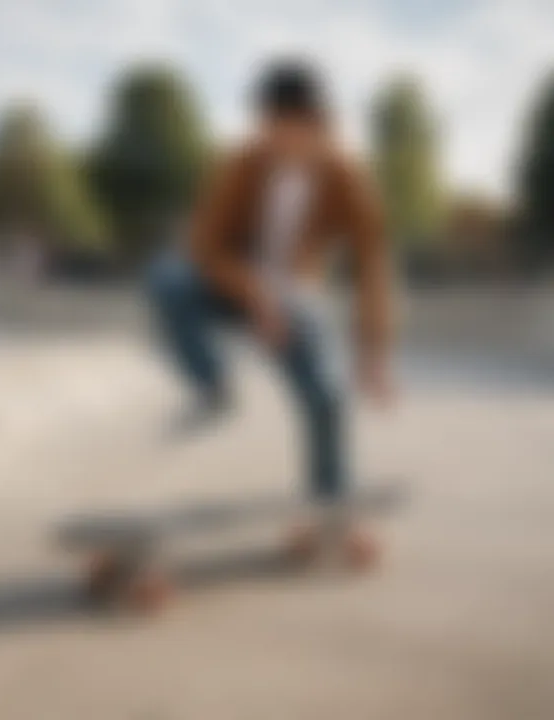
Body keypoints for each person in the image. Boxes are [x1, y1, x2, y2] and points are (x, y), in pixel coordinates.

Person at [147, 58, 392, 565]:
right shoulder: (239, 163)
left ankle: (332, 509)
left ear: (321, 126)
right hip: (230, 286)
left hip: (298, 299)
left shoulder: (349, 177)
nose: (278, 146)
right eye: (269, 133)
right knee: (166, 277)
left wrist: (374, 351)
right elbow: (204, 246)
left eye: (291, 135)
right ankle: (213, 384)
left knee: (327, 396)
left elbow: (373, 267)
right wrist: (256, 296)